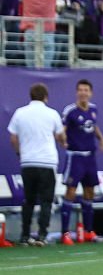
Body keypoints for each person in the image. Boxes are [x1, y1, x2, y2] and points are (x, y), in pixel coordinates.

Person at [7, 83, 65, 245]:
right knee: (46, 200)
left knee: (29, 199)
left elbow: (13, 138)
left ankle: (25, 235)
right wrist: (63, 142)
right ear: (46, 97)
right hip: (47, 161)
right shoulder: (52, 113)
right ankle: (42, 235)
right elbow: (61, 136)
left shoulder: (20, 113)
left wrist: (20, 153)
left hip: (28, 161)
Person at [59, 79, 103, 245]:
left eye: (86, 90)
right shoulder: (70, 111)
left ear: (90, 93)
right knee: (71, 192)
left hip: (90, 157)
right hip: (75, 156)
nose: (83, 93)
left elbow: (93, 126)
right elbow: (61, 130)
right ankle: (65, 233)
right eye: (80, 90)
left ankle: (88, 231)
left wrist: (101, 139)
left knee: (89, 192)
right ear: (76, 92)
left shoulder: (93, 109)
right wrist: (62, 140)